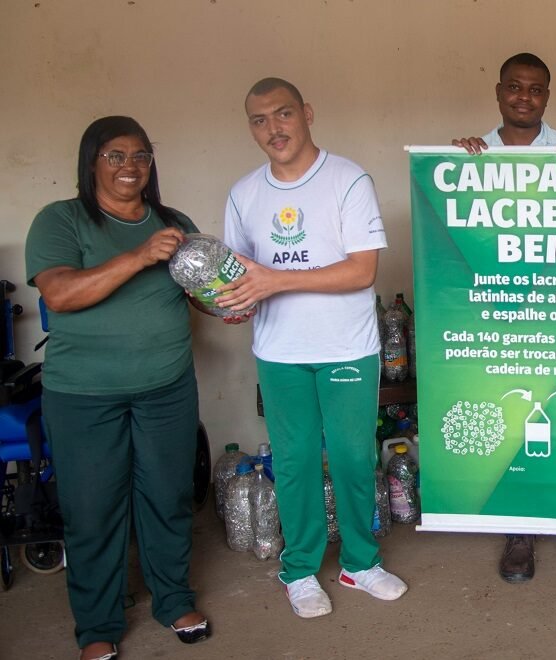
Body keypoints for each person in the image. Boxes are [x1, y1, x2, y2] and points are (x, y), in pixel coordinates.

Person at [215, 78, 406, 618]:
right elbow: (237, 275)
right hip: (279, 351)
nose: (273, 129)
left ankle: (360, 564)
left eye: (283, 114)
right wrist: (232, 301)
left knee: (352, 457)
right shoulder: (243, 194)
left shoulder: (348, 180)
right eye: (259, 120)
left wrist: (273, 280)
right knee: (295, 461)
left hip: (346, 347)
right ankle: (299, 570)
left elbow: (361, 271)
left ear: (307, 113)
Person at [25, 116, 211, 660]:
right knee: (92, 509)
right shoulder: (60, 220)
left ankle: (173, 599)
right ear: (92, 162)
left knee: (169, 497)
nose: (131, 166)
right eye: (116, 155)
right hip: (83, 395)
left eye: (141, 156)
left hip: (167, 387)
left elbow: (199, 292)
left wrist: (224, 299)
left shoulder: (175, 223)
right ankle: (98, 626)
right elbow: (60, 294)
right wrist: (140, 255)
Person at [451, 52, 556, 583]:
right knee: (516, 418)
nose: (524, 97)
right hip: (501, 315)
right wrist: (451, 167)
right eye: (514, 87)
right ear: (498, 92)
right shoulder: (474, 156)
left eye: (535, 89)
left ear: (547, 97)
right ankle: (519, 530)